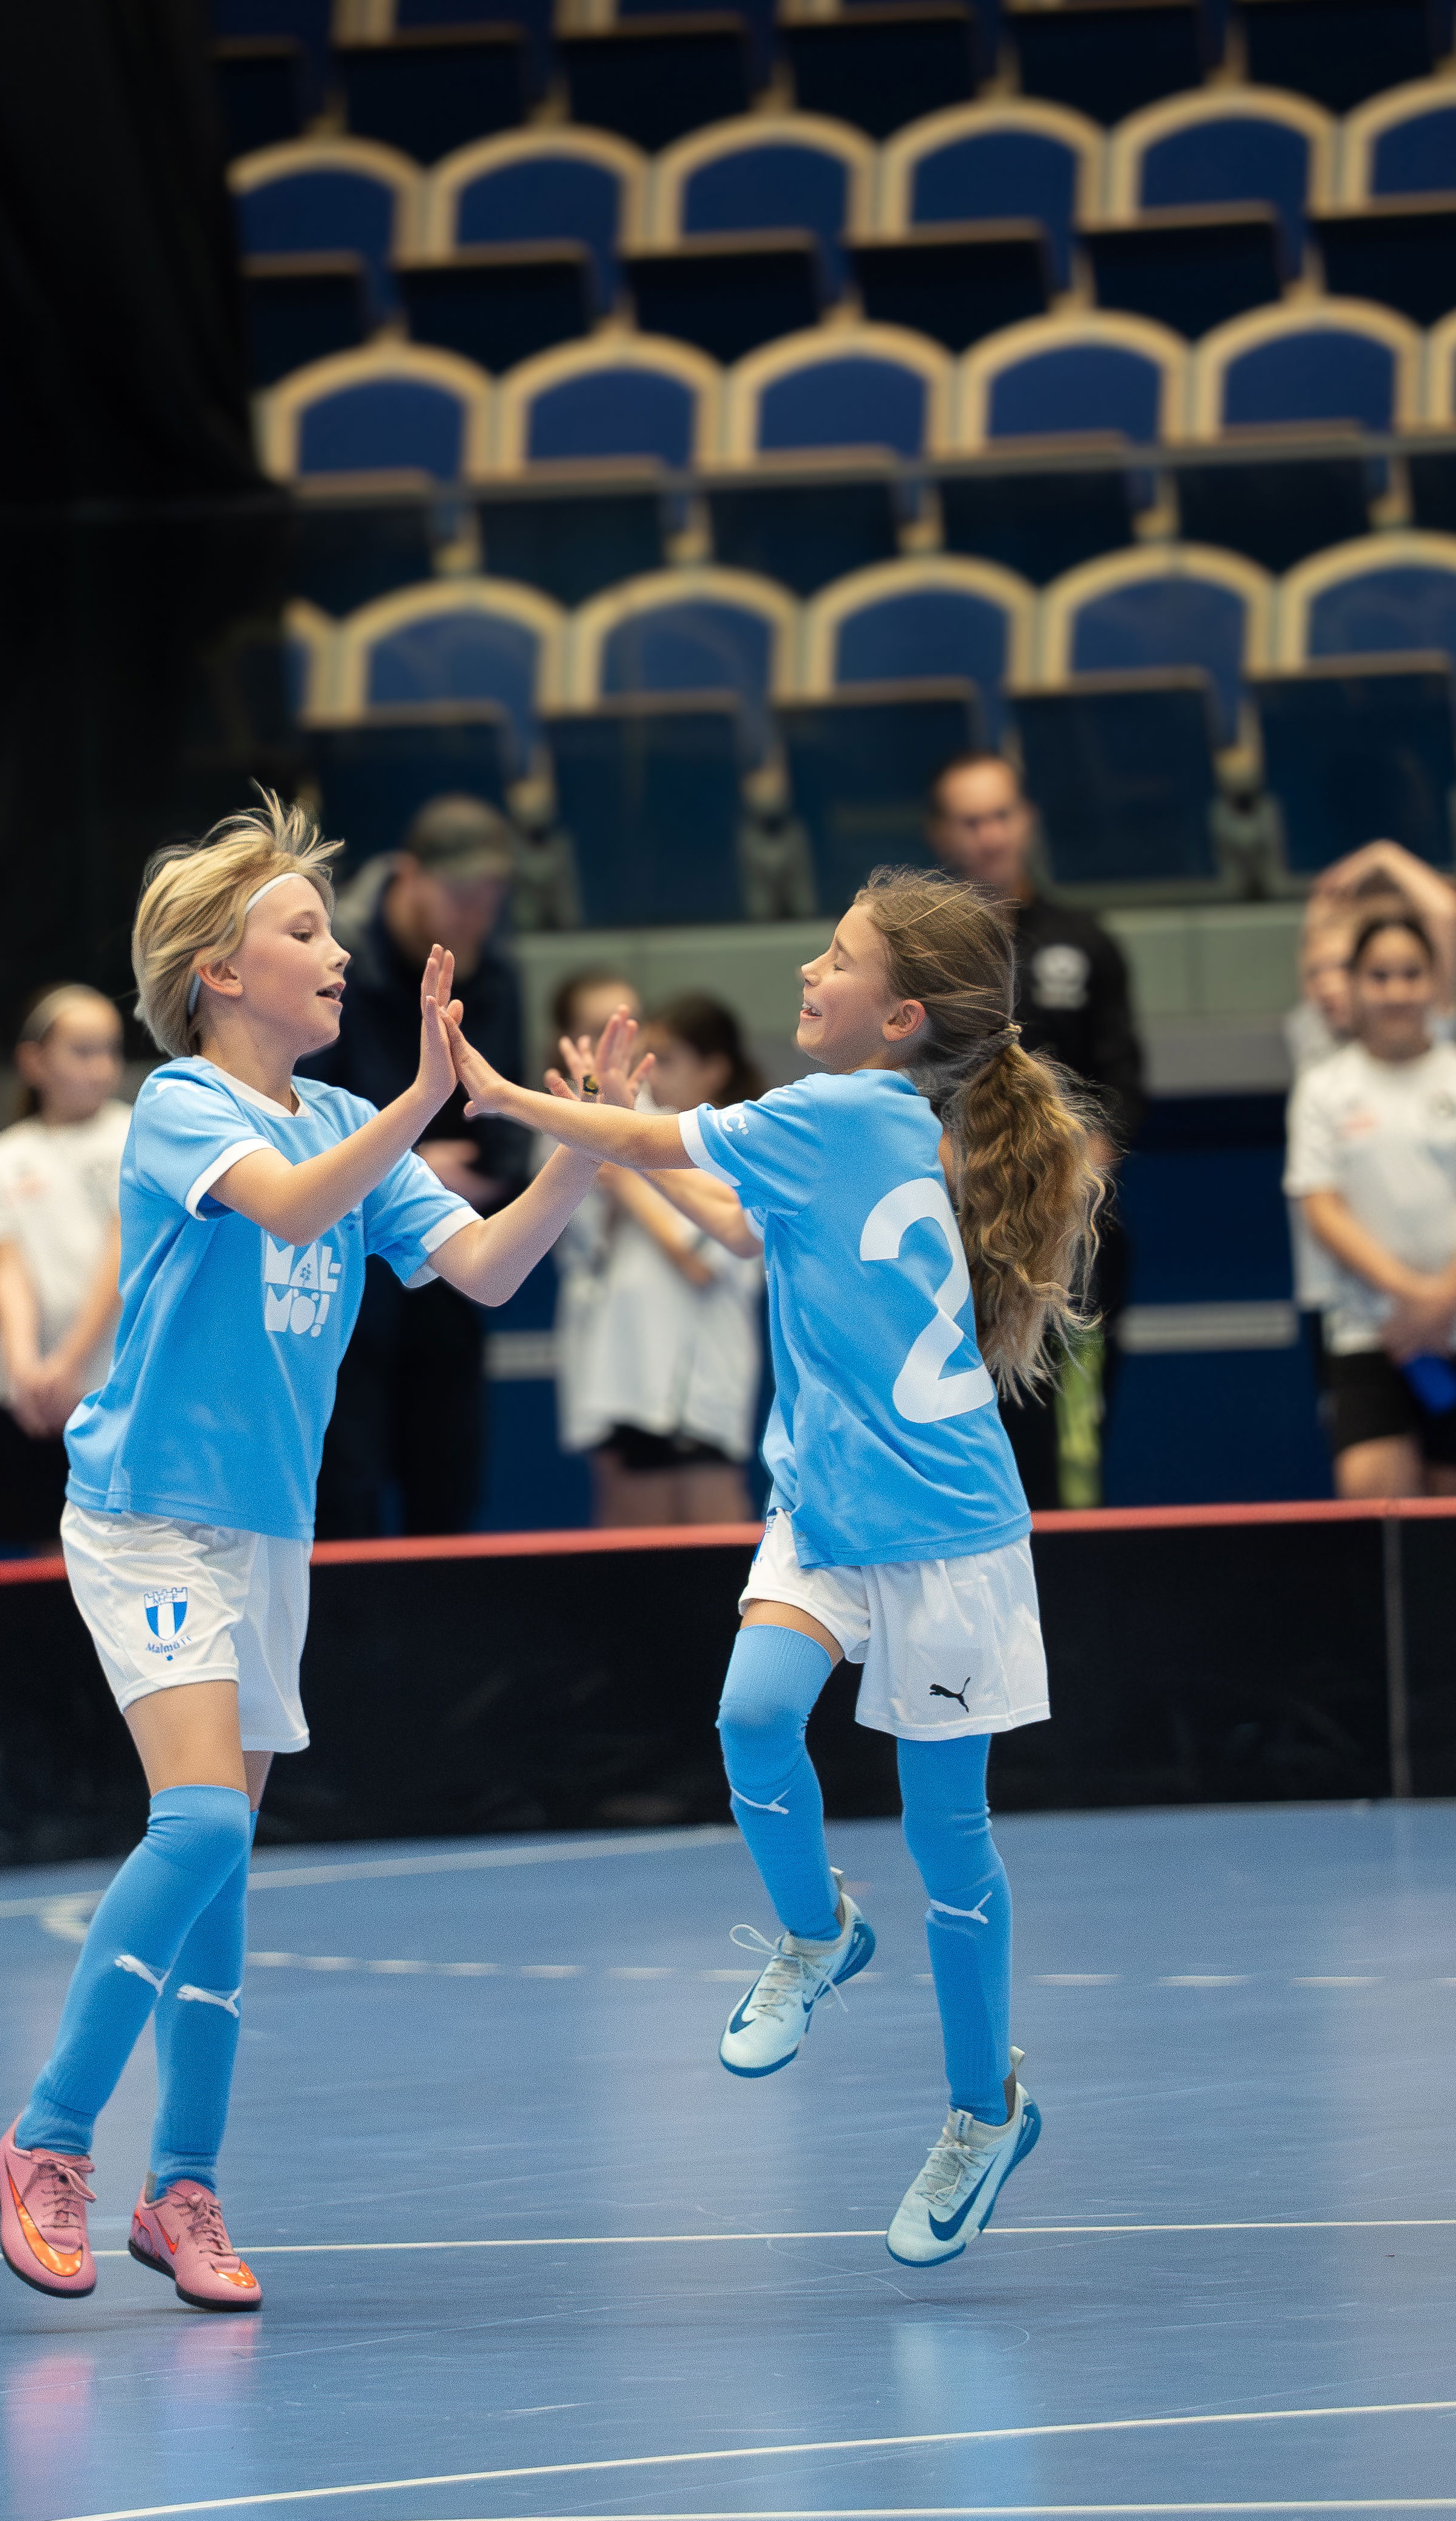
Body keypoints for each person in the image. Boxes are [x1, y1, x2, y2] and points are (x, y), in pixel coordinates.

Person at [0, 794, 613, 2313]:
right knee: (200, 1821)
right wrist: (423, 1096)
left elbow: (480, 1267)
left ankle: (183, 2187)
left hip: (267, 1534)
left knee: (224, 1874)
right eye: (305, 929)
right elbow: (281, 1210)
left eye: (334, 930)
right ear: (219, 970)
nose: (336, 953)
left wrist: (578, 1155)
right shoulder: (181, 1105)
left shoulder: (343, 1121)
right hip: (147, 1516)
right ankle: (48, 2138)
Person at [449, 866, 1104, 2267]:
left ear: (900, 1016)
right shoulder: (859, 1123)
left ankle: (985, 2111)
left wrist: (500, 1093)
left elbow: (653, 1134)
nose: (809, 971)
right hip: (822, 1506)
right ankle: (816, 1935)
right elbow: (743, 1222)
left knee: (950, 1843)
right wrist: (623, 1138)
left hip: (945, 1534)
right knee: (753, 1713)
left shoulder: (843, 1112)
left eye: (837, 957)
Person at [303, 792, 529, 1538]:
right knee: (343, 1493)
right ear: (409, 875)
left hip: (448, 1256)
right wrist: (412, 1162)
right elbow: (303, 1133)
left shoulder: (496, 973)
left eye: (493, 894)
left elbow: (504, 1142)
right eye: (463, 893)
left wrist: (400, 1170)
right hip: (338, 1266)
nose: (479, 913)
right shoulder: (331, 964)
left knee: (448, 1484)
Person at [926, 749, 1144, 1508]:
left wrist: (1061, 1192)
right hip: (953, 1234)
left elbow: (1122, 1086)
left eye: (1001, 816)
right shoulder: (924, 959)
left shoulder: (1086, 942)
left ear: (1027, 821)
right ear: (943, 835)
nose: (989, 835)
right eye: (970, 821)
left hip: (1069, 1236)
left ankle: (1076, 1576)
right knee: (963, 1435)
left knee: (1072, 1445)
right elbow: (907, 1081)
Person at [555, 984, 765, 1528]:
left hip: (699, 1386)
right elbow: (603, 1119)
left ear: (714, 1069)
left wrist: (630, 1180)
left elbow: (701, 1262)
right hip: (623, 1371)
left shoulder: (743, 1147)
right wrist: (595, 1089)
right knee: (628, 1554)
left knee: (711, 1552)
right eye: (646, 1060)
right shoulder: (650, 1130)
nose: (652, 1076)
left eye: (666, 1060)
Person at [1284, 910, 1456, 1499]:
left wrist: (1440, 1301)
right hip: (1370, 1330)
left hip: (1452, 1319)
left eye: (1411, 974)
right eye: (1380, 976)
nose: (1397, 991)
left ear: (1435, 982)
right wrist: (1411, 1296)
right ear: (1356, 985)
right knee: (1374, 1500)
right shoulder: (1325, 1087)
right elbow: (1322, 1206)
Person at [0, 985, 128, 1557]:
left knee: (127, 1553)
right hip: (33, 1393)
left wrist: (70, 1363)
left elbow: (124, 1253)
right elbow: (5, 1266)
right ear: (34, 1061)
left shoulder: (137, 1136)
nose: (101, 1067)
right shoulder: (1, 1156)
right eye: (83, 1051)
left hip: (117, 1384)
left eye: (110, 1050)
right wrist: (26, 1368)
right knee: (47, 1550)